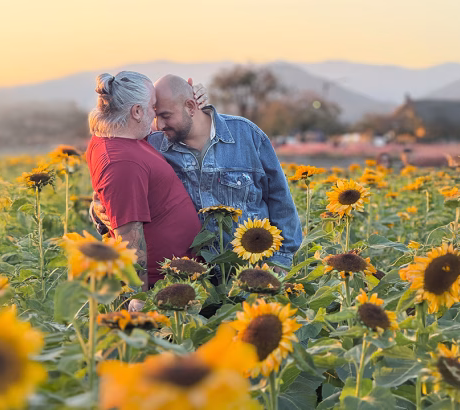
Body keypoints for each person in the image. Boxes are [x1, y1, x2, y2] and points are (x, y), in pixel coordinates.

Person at [93, 74, 302, 270]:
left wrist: (280, 262)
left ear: (191, 106)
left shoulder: (246, 135)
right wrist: (98, 209)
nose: (159, 125)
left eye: (166, 116)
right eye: (156, 115)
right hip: (193, 277)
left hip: (252, 269)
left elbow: (280, 201)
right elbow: (117, 180)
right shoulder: (153, 145)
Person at [85, 71, 202, 290]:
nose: (155, 115)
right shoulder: (121, 163)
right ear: (137, 111)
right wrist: (140, 302)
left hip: (180, 275)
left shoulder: (124, 137)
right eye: (153, 107)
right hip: (164, 286)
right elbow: (129, 243)